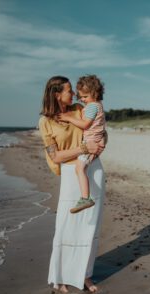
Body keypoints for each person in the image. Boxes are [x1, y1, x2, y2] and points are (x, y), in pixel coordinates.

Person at [39, 76, 106, 293]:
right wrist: (84, 149)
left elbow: (99, 130)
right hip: (71, 172)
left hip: (93, 169)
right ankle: (61, 275)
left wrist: (101, 141)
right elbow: (56, 157)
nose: (74, 94)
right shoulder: (45, 121)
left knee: (89, 227)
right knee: (66, 227)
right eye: (69, 90)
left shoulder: (80, 109)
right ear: (57, 94)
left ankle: (85, 275)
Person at [58, 75, 105, 214]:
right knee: (81, 169)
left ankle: (85, 198)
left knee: (79, 169)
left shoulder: (91, 107)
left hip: (90, 142)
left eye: (85, 97)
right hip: (94, 140)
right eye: (81, 97)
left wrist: (68, 118)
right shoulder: (98, 105)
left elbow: (85, 124)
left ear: (94, 93)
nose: (82, 100)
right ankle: (86, 197)